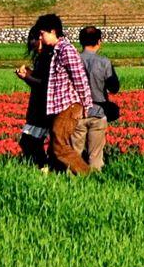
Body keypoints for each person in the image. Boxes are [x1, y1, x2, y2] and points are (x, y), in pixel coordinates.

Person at [35, 14, 93, 176]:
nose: (40, 37)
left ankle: (86, 174)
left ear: (53, 31)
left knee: (59, 145)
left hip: (69, 106)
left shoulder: (66, 50)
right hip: (60, 106)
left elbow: (80, 79)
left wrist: (86, 105)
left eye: (42, 33)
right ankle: (59, 175)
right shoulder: (55, 51)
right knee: (55, 145)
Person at [69, 25, 120, 172]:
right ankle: (95, 182)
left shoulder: (73, 61)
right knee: (96, 156)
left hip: (76, 113)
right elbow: (114, 88)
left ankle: (71, 182)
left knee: (74, 153)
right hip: (98, 113)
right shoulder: (104, 62)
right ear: (99, 42)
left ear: (80, 41)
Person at [14, 26, 54, 168]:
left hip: (44, 108)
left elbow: (45, 84)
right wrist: (29, 75)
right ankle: (43, 166)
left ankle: (43, 167)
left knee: (29, 141)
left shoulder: (50, 58)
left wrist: (26, 77)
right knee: (29, 141)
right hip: (38, 107)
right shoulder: (43, 58)